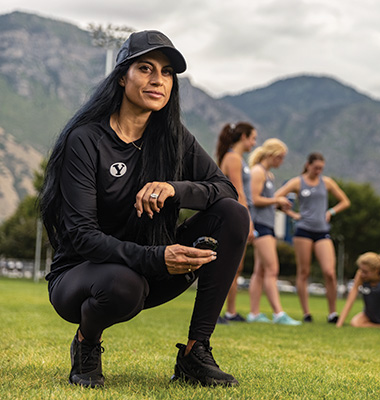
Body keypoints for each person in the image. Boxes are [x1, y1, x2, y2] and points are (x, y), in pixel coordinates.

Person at [39, 30, 249, 388]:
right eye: (146, 68)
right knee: (123, 284)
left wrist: (174, 189)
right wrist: (157, 257)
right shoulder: (86, 139)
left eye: (167, 72)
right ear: (122, 76)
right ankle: (86, 343)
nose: (158, 80)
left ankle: (195, 353)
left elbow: (225, 189)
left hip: (153, 267)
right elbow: (81, 236)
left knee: (232, 214)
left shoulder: (174, 137)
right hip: (84, 276)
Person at [274, 152, 350, 323]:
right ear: (308, 165)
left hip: (322, 231)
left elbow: (345, 201)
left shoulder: (327, 182)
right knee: (304, 271)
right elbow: (276, 198)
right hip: (303, 230)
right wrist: (291, 213)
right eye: (316, 168)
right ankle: (306, 313)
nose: (318, 171)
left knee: (329, 272)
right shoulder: (297, 182)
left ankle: (332, 313)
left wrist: (331, 212)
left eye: (321, 168)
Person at [246, 138, 301, 325]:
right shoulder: (258, 172)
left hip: (267, 223)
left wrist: (282, 207)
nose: (282, 162)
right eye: (281, 157)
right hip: (261, 225)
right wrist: (277, 201)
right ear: (273, 155)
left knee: (260, 271)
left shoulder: (268, 175)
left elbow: (265, 202)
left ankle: (254, 313)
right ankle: (278, 313)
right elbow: (253, 199)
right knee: (272, 269)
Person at [215, 122, 258, 323]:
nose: (254, 143)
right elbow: (238, 191)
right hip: (234, 216)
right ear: (243, 137)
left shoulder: (238, 158)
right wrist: (247, 221)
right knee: (227, 266)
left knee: (236, 268)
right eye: (253, 138)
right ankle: (214, 312)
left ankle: (230, 312)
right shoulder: (233, 158)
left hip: (239, 215)